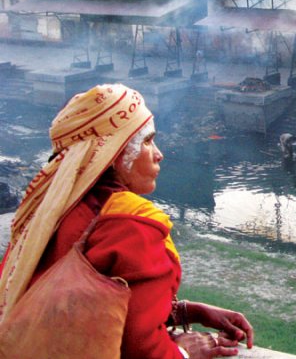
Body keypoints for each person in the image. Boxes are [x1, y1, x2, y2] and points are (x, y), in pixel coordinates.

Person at [0, 84, 254, 358]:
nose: (159, 154)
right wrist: (183, 352)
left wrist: (187, 311)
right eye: (146, 141)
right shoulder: (132, 222)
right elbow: (141, 349)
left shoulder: (47, 207)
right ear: (112, 155)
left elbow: (80, 306)